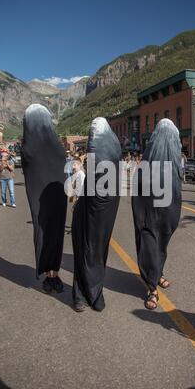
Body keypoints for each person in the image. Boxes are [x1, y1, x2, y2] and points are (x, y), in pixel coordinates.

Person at [71, 117, 121, 313]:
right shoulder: (109, 149)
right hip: (88, 210)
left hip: (104, 210)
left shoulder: (111, 153)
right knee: (85, 250)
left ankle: (95, 293)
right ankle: (81, 295)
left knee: (98, 251)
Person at [132, 119, 182, 311]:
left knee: (161, 245)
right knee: (151, 245)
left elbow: (177, 189)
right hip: (150, 213)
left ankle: (158, 273)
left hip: (168, 212)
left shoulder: (173, 163)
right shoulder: (146, 165)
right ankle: (152, 288)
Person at [21, 104, 67, 294]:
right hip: (58, 197)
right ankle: (54, 274)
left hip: (40, 201)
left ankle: (50, 275)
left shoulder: (28, 147)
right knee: (56, 235)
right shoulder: (57, 145)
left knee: (43, 234)